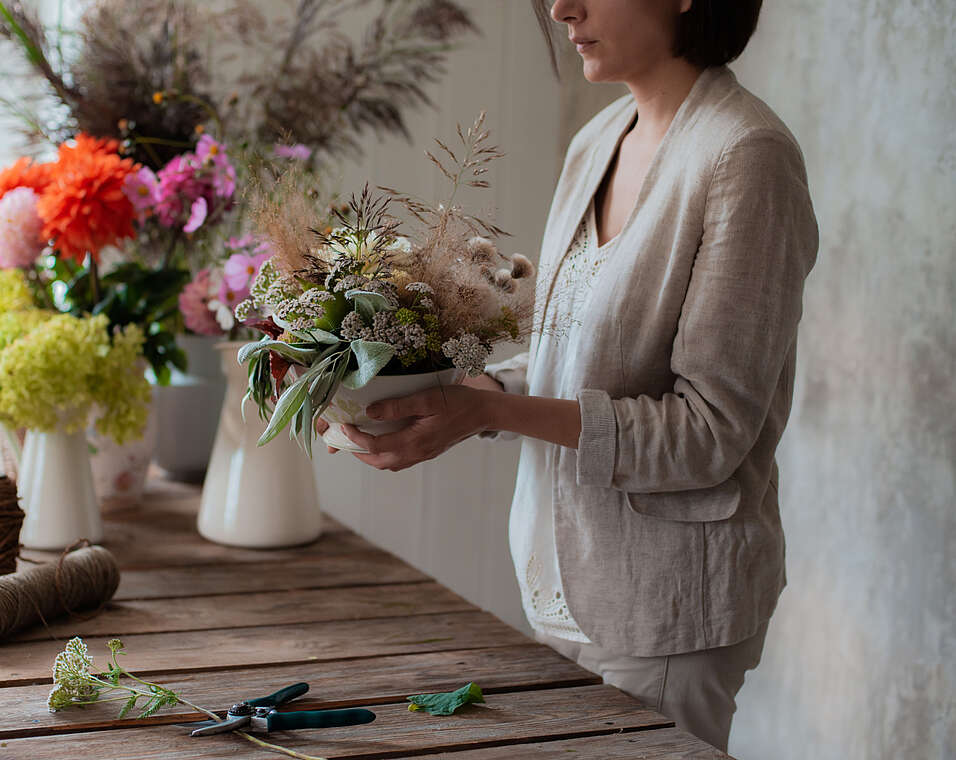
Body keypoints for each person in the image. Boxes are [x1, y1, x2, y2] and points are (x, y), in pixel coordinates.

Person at [317, 0, 818, 751]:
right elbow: (570, 358)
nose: (560, 7)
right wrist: (457, 400)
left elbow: (709, 433)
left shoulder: (745, 156)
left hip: (668, 611)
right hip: (557, 579)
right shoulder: (597, 141)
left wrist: (490, 414)